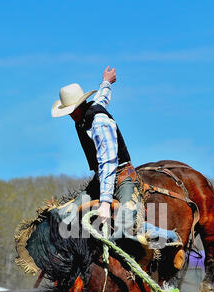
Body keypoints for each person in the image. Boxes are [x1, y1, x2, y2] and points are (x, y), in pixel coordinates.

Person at [50, 66, 180, 251]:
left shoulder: (100, 123)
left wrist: (104, 202)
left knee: (124, 227)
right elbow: (102, 97)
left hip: (123, 177)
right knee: (65, 215)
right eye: (69, 111)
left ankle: (168, 237)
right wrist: (106, 82)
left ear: (80, 105)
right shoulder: (86, 114)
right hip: (101, 178)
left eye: (72, 110)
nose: (71, 115)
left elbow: (108, 163)